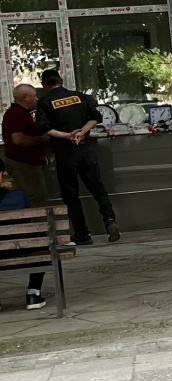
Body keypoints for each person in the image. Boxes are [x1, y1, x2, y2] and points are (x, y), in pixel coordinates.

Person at [34, 68, 120, 246]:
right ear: (61, 80)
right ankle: (110, 220)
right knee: (97, 188)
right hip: (87, 149)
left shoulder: (45, 102)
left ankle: (82, 233)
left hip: (66, 153)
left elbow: (43, 128)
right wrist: (82, 132)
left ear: (44, 85)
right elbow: (96, 116)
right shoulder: (80, 96)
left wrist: (68, 135)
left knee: (71, 194)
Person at [2, 82, 52, 307]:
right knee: (36, 210)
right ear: (24, 97)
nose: (36, 99)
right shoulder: (15, 114)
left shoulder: (22, 113)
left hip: (30, 165)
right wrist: (41, 140)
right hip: (25, 166)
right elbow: (18, 140)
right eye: (33, 96)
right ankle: (34, 291)